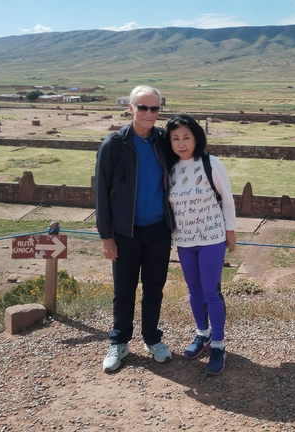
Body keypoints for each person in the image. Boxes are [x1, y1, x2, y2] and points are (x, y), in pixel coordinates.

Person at [95, 85, 175, 372]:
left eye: (154, 108)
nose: (149, 113)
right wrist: (106, 237)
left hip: (158, 230)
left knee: (154, 288)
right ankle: (119, 342)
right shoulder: (114, 145)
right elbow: (102, 194)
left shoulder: (164, 142)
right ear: (131, 108)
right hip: (124, 232)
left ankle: (152, 339)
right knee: (124, 289)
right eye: (143, 107)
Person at [164, 115, 237, 376]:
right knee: (194, 290)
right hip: (184, 240)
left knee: (211, 291)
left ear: (196, 138)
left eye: (186, 137)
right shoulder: (170, 169)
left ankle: (218, 343)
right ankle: (202, 334)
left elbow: (227, 200)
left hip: (211, 239)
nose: (181, 143)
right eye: (175, 138)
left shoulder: (210, 163)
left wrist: (231, 231)